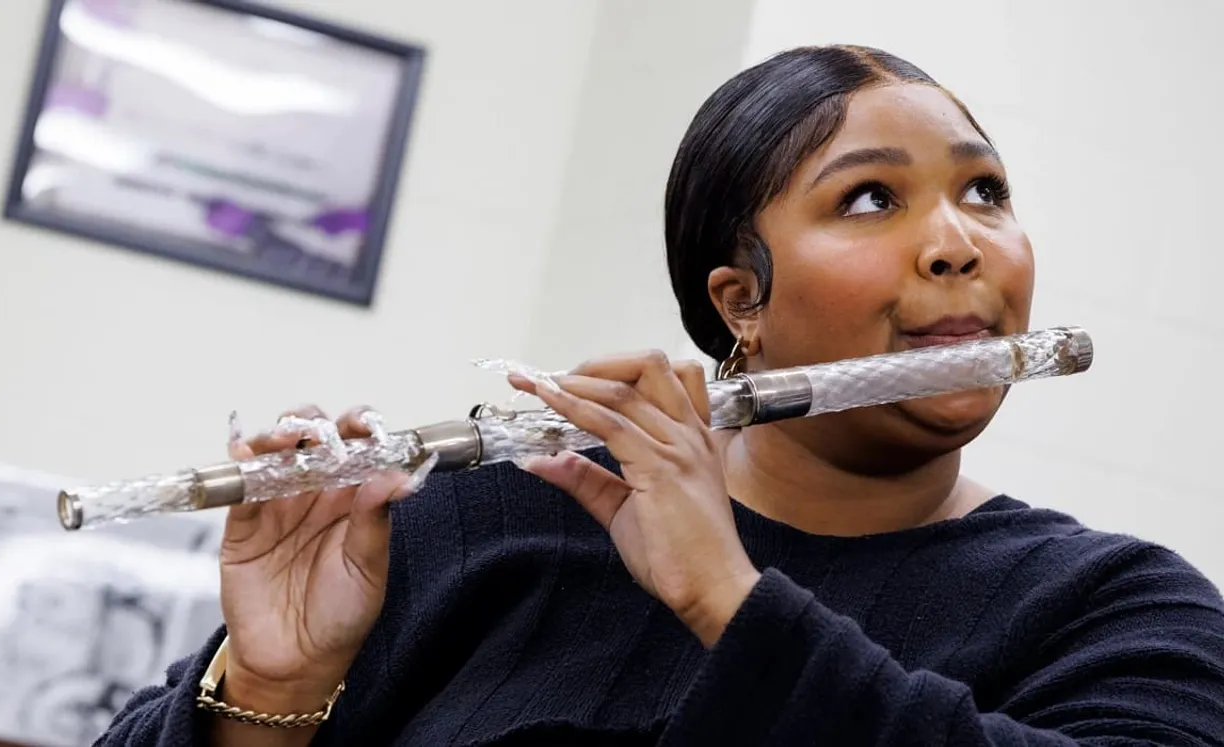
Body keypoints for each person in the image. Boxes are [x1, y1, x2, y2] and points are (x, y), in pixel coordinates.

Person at [96, 45, 1224, 747]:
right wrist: (269, 692)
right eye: (872, 199)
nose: (956, 244)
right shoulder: (469, 526)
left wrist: (728, 603)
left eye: (984, 191)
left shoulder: (1115, 614)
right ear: (739, 301)